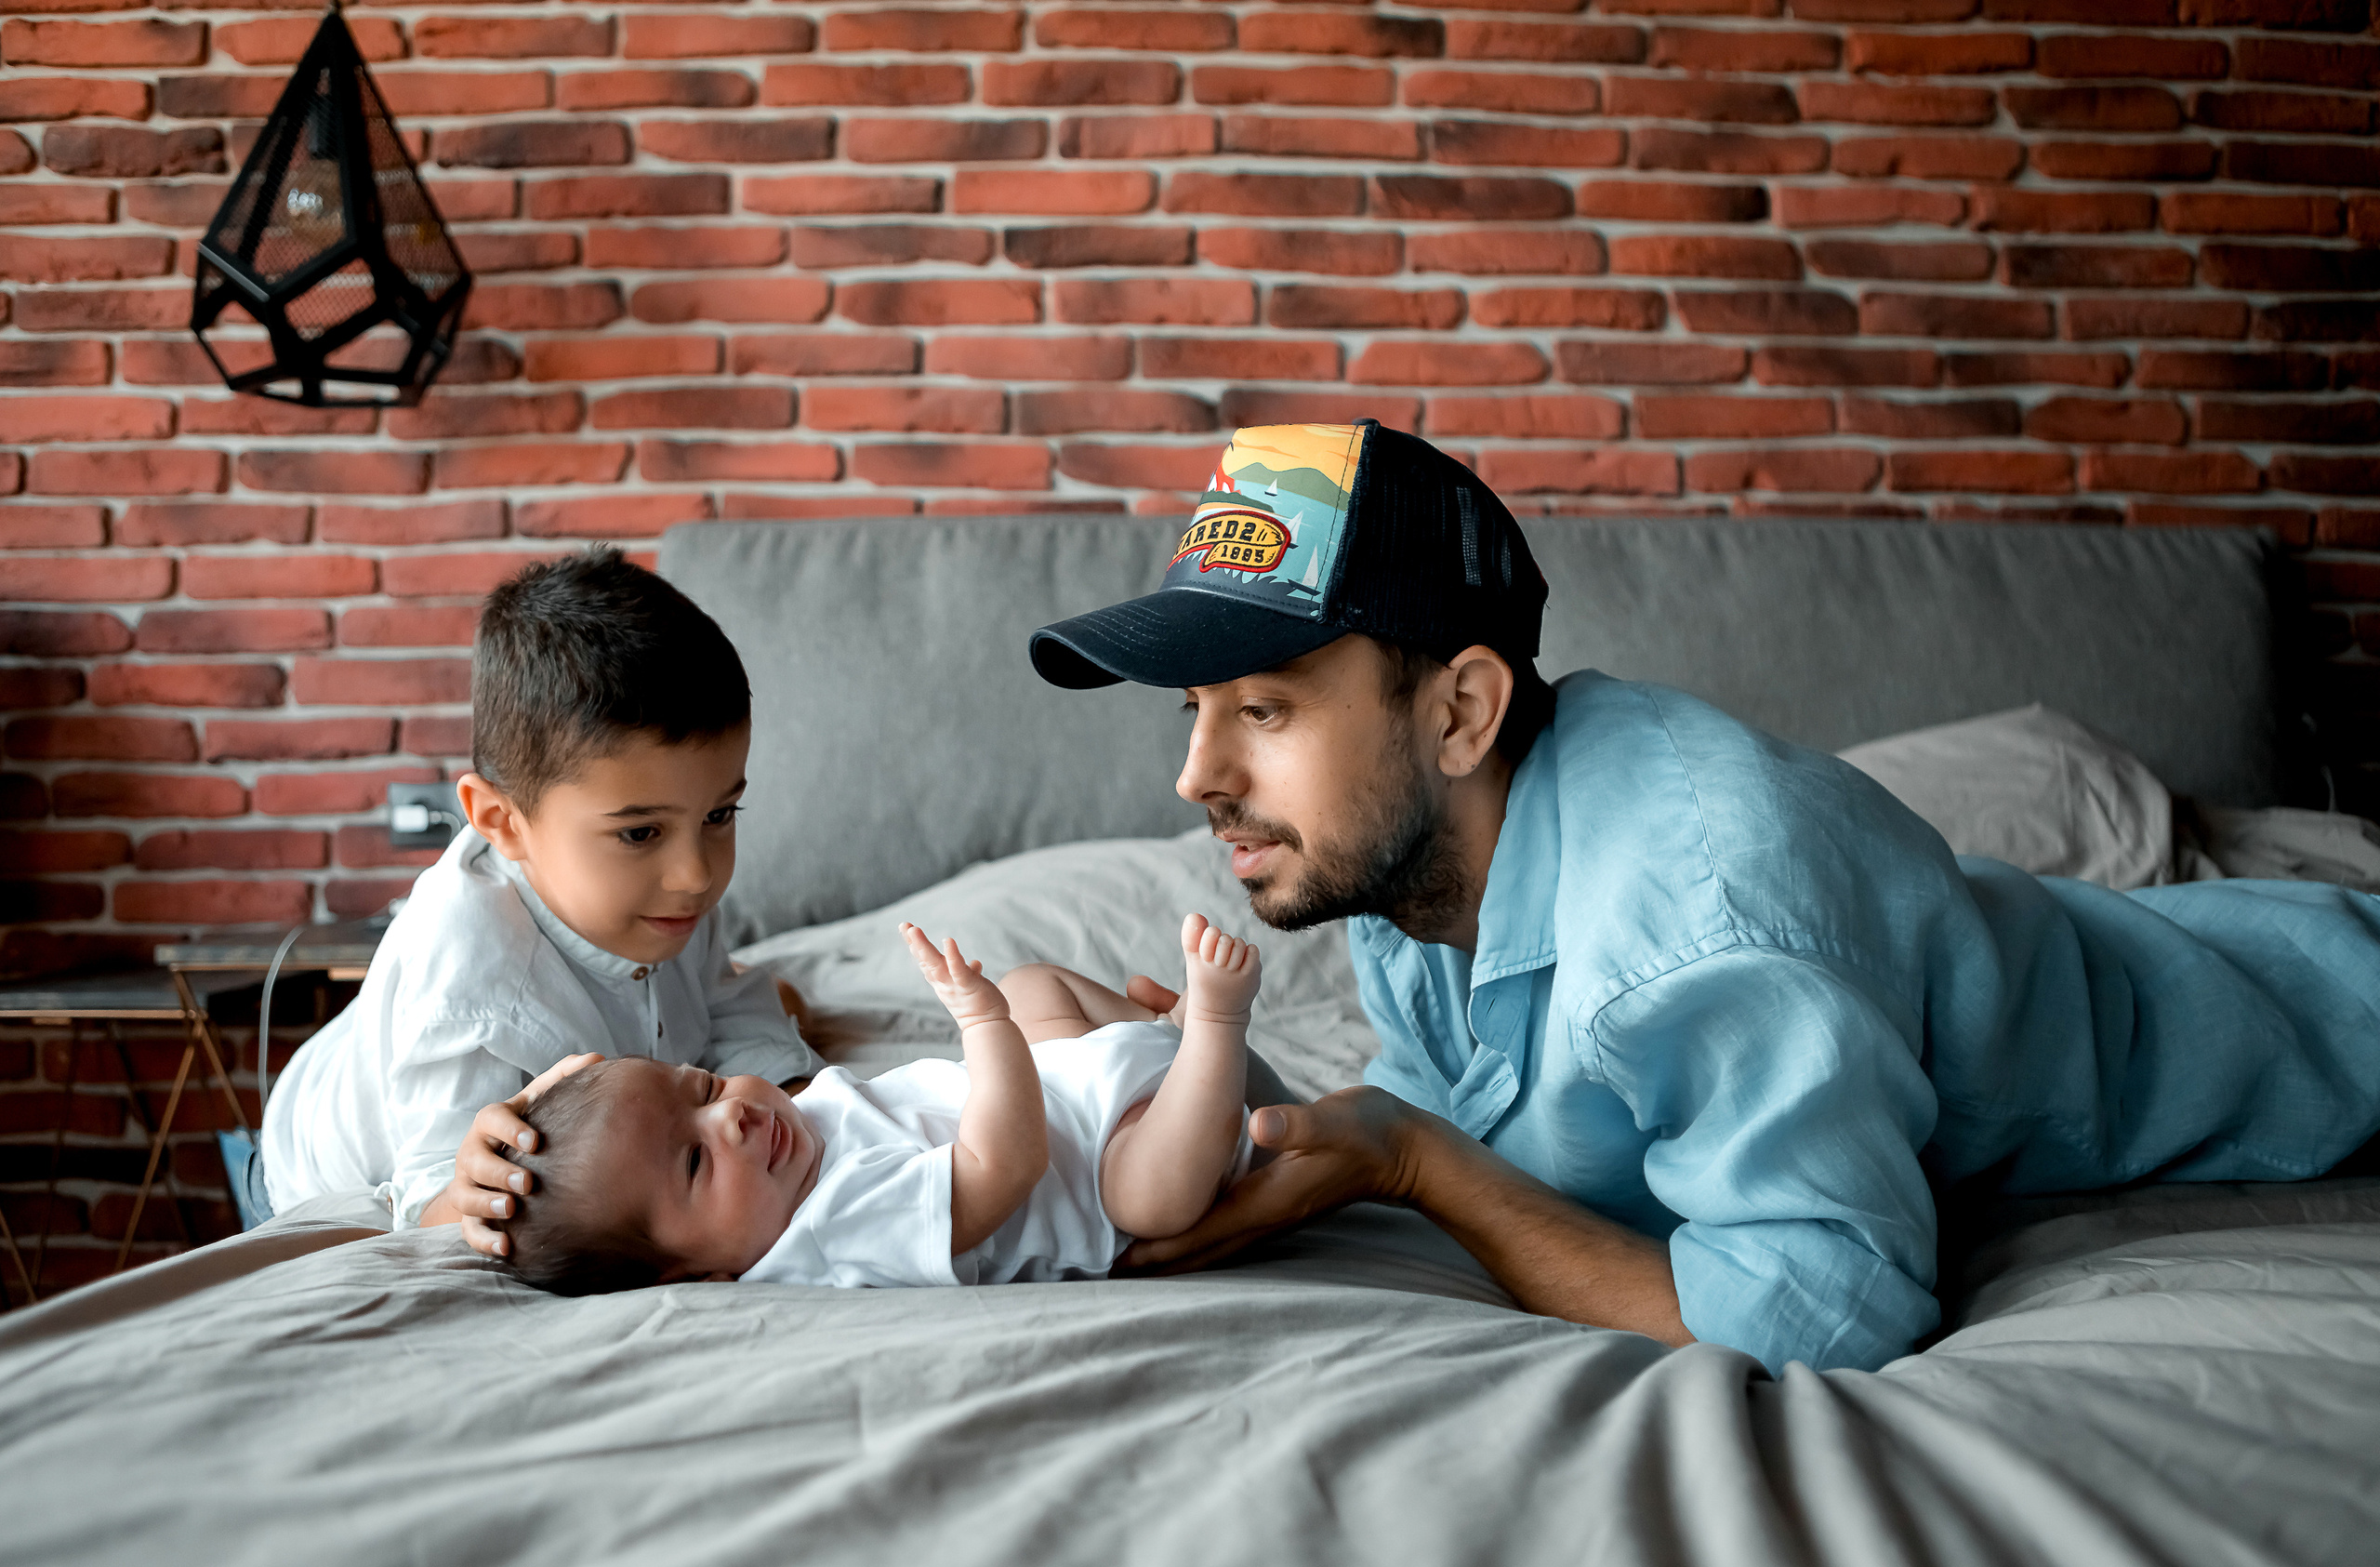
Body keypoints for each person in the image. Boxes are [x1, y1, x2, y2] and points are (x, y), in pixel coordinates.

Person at [1026, 418, 2380, 1375]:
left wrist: (1411, 1163)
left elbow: (1828, 1316)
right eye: (1199, 708)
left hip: (2313, 1017)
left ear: (1462, 712)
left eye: (1262, 707)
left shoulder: (1696, 927)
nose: (1196, 772)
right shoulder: (1408, 867)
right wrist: (1228, 1088)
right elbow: (1468, 1096)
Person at [259, 550, 819, 1242]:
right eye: (640, 831)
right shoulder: (471, 991)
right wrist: (466, 1189)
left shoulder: (661, 889)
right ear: (501, 822)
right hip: (314, 1162)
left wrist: (794, 1092)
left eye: (720, 815)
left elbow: (725, 1001)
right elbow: (433, 1196)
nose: (696, 874)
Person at [494, 916, 1283, 1294]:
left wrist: (1010, 1020)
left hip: (1065, 1086)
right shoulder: (832, 1226)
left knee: (1033, 982)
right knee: (1151, 1194)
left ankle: (1162, 1035)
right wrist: (982, 1024)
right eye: (695, 1160)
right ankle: (1211, 1024)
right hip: (1110, 1166)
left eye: (703, 1087)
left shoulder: (790, 1151)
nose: (728, 1113)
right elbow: (1007, 1163)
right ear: (689, 1273)